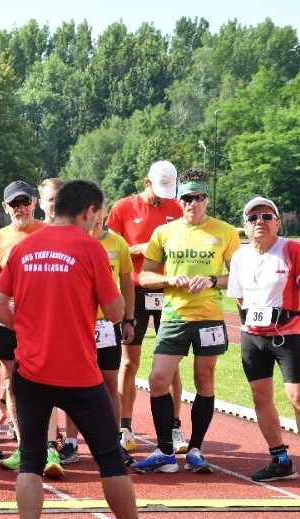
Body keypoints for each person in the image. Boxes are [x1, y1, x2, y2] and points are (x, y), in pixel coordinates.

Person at [0, 178, 178, 519]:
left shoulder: (22, 248)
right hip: (77, 371)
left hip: (31, 370)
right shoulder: (90, 248)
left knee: (31, 461)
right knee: (109, 458)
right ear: (89, 211)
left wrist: (28, 327)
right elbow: (115, 311)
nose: (98, 221)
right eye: (99, 214)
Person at [131, 169, 240, 475]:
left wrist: (211, 280)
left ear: (207, 198)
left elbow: (239, 278)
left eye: (199, 197)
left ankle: (195, 451)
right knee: (158, 380)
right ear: (179, 201)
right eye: (187, 198)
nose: (193, 203)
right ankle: (166, 452)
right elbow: (145, 275)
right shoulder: (164, 233)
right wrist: (169, 279)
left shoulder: (225, 232)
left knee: (204, 380)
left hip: (209, 318)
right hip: (174, 316)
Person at [228, 197, 300, 489]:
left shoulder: (292, 250)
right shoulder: (239, 257)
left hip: (287, 336)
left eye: (267, 216)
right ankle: (280, 461)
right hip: (252, 337)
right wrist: (250, 324)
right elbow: (239, 298)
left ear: (278, 222)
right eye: (253, 218)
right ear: (245, 226)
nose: (259, 222)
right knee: (260, 397)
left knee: (298, 397)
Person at [107, 161, 187, 453]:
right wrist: (139, 249)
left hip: (168, 290)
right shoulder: (123, 208)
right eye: (158, 188)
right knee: (130, 362)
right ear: (146, 182)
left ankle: (174, 428)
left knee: (171, 364)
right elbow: (110, 248)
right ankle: (125, 427)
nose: (163, 196)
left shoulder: (177, 207)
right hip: (136, 291)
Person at [60, 213, 137, 465]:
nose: (94, 217)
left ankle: (114, 442)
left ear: (104, 213)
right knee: (73, 383)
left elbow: (126, 283)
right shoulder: (71, 242)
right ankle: (71, 443)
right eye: (90, 212)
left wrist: (129, 319)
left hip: (107, 324)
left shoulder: (117, 244)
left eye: (99, 211)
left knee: (109, 382)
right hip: (76, 324)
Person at [0, 181, 44, 471]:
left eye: (25, 202)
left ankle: (48, 442)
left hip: (43, 318)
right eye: (14, 204)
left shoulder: (48, 232)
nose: (21, 208)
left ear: (35, 203)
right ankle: (23, 445)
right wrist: (23, 270)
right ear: (5, 208)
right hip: (8, 316)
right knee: (12, 380)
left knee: (46, 379)